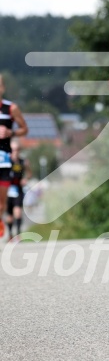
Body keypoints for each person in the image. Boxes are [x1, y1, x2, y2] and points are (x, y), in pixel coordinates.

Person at [0, 74, 28, 238]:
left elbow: (25, 129)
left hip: (4, 160)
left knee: (1, 204)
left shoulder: (11, 108)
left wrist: (11, 132)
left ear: (2, 88)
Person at [6, 140, 32, 241]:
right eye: (13, 150)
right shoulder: (6, 161)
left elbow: (29, 174)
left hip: (18, 190)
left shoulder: (22, 162)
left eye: (17, 149)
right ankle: (10, 234)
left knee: (18, 212)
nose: (15, 152)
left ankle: (18, 234)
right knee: (9, 215)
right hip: (7, 190)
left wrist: (26, 179)